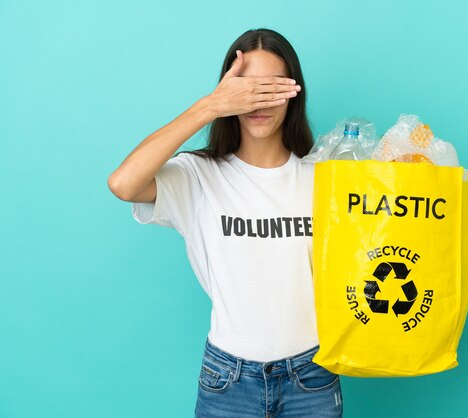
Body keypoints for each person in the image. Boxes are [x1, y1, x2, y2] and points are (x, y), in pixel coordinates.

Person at [108, 28, 343, 417]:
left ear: (294, 91)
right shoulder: (198, 176)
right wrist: (209, 106)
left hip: (312, 378)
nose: (257, 101)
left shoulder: (324, 178)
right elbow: (123, 183)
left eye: (270, 87)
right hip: (228, 381)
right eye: (245, 89)